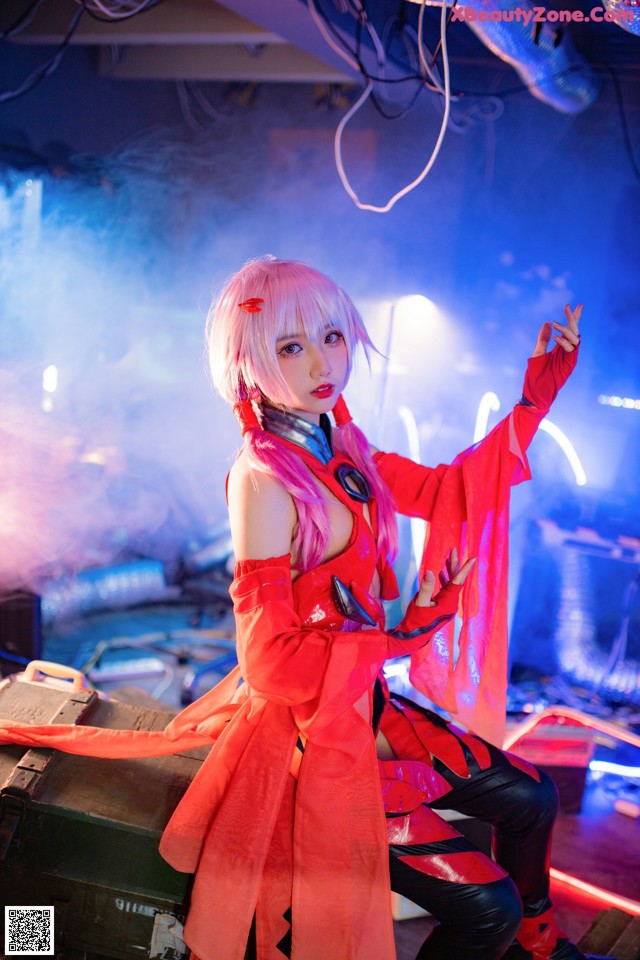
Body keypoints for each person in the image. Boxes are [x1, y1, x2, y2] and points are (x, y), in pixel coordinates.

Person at [0, 256, 588, 960]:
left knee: (534, 800)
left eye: (333, 336)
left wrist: (534, 400)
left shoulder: (341, 440)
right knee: (484, 907)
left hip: (362, 704)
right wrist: (399, 636)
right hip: (308, 740)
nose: (323, 361)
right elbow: (271, 663)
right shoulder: (263, 480)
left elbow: (444, 492)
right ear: (248, 362)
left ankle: (541, 947)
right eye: (291, 346)